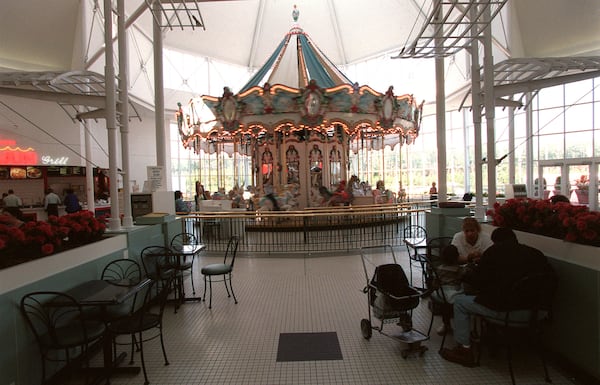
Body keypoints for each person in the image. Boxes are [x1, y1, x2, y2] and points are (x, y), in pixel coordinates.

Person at [440, 227, 553, 367]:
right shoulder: (536, 254)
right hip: (537, 313)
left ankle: (464, 350)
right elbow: (552, 280)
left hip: (505, 312)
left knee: (460, 302)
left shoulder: (494, 253)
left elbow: (478, 282)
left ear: (494, 241)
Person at [432, 244, 467, 335]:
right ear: (457, 257)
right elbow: (463, 278)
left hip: (441, 294)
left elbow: (435, 284)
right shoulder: (459, 269)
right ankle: (462, 327)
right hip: (455, 294)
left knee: (445, 305)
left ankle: (446, 324)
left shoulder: (438, 268)